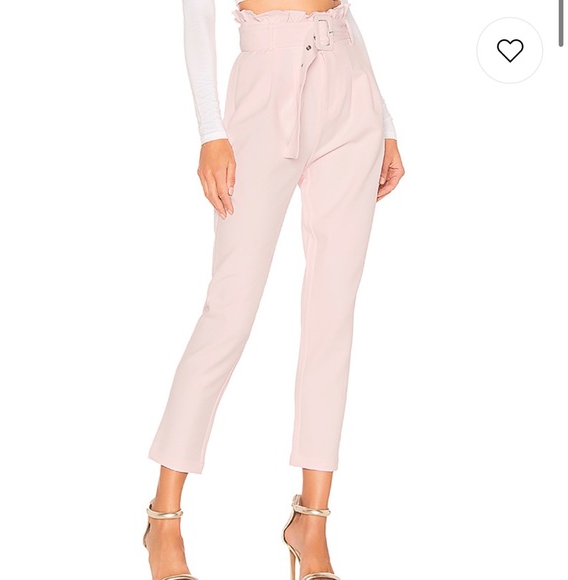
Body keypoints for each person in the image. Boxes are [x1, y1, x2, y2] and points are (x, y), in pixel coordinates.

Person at [143, 0, 405, 579]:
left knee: (332, 316)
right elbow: (197, 20)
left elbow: (341, 12)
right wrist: (211, 132)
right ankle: (164, 517)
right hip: (264, 89)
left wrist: (384, 121)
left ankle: (312, 524)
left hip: (351, 91)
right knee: (229, 312)